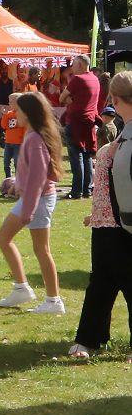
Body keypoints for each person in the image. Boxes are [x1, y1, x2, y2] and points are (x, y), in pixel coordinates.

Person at [69, 71, 132, 360]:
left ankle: (88, 339)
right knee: (102, 282)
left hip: (123, 222)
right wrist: (96, 213)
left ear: (116, 100)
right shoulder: (124, 130)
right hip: (106, 221)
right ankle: (88, 339)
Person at [0, 92, 64, 314]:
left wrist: (27, 210)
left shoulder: (34, 138)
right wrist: (18, 183)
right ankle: (21, 288)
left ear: (27, 113)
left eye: (18, 110)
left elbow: (37, 178)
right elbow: (33, 173)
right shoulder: (35, 134)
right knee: (4, 238)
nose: (15, 113)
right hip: (34, 198)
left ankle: (53, 301)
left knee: (42, 249)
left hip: (38, 200)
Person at [62, 55, 101, 200]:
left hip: (75, 122)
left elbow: (61, 97)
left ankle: (76, 191)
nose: (72, 67)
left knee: (76, 155)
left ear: (79, 65)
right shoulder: (95, 79)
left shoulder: (77, 79)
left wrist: (66, 98)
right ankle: (87, 189)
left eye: (73, 64)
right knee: (87, 155)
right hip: (89, 122)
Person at [0, 92, 26, 179]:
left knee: (17, 162)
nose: (9, 103)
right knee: (6, 162)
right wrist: (5, 116)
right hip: (8, 142)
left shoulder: (22, 114)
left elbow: (24, 128)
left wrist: (23, 140)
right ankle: (8, 179)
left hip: (18, 143)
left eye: (11, 101)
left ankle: (19, 180)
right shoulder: (9, 113)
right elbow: (4, 126)